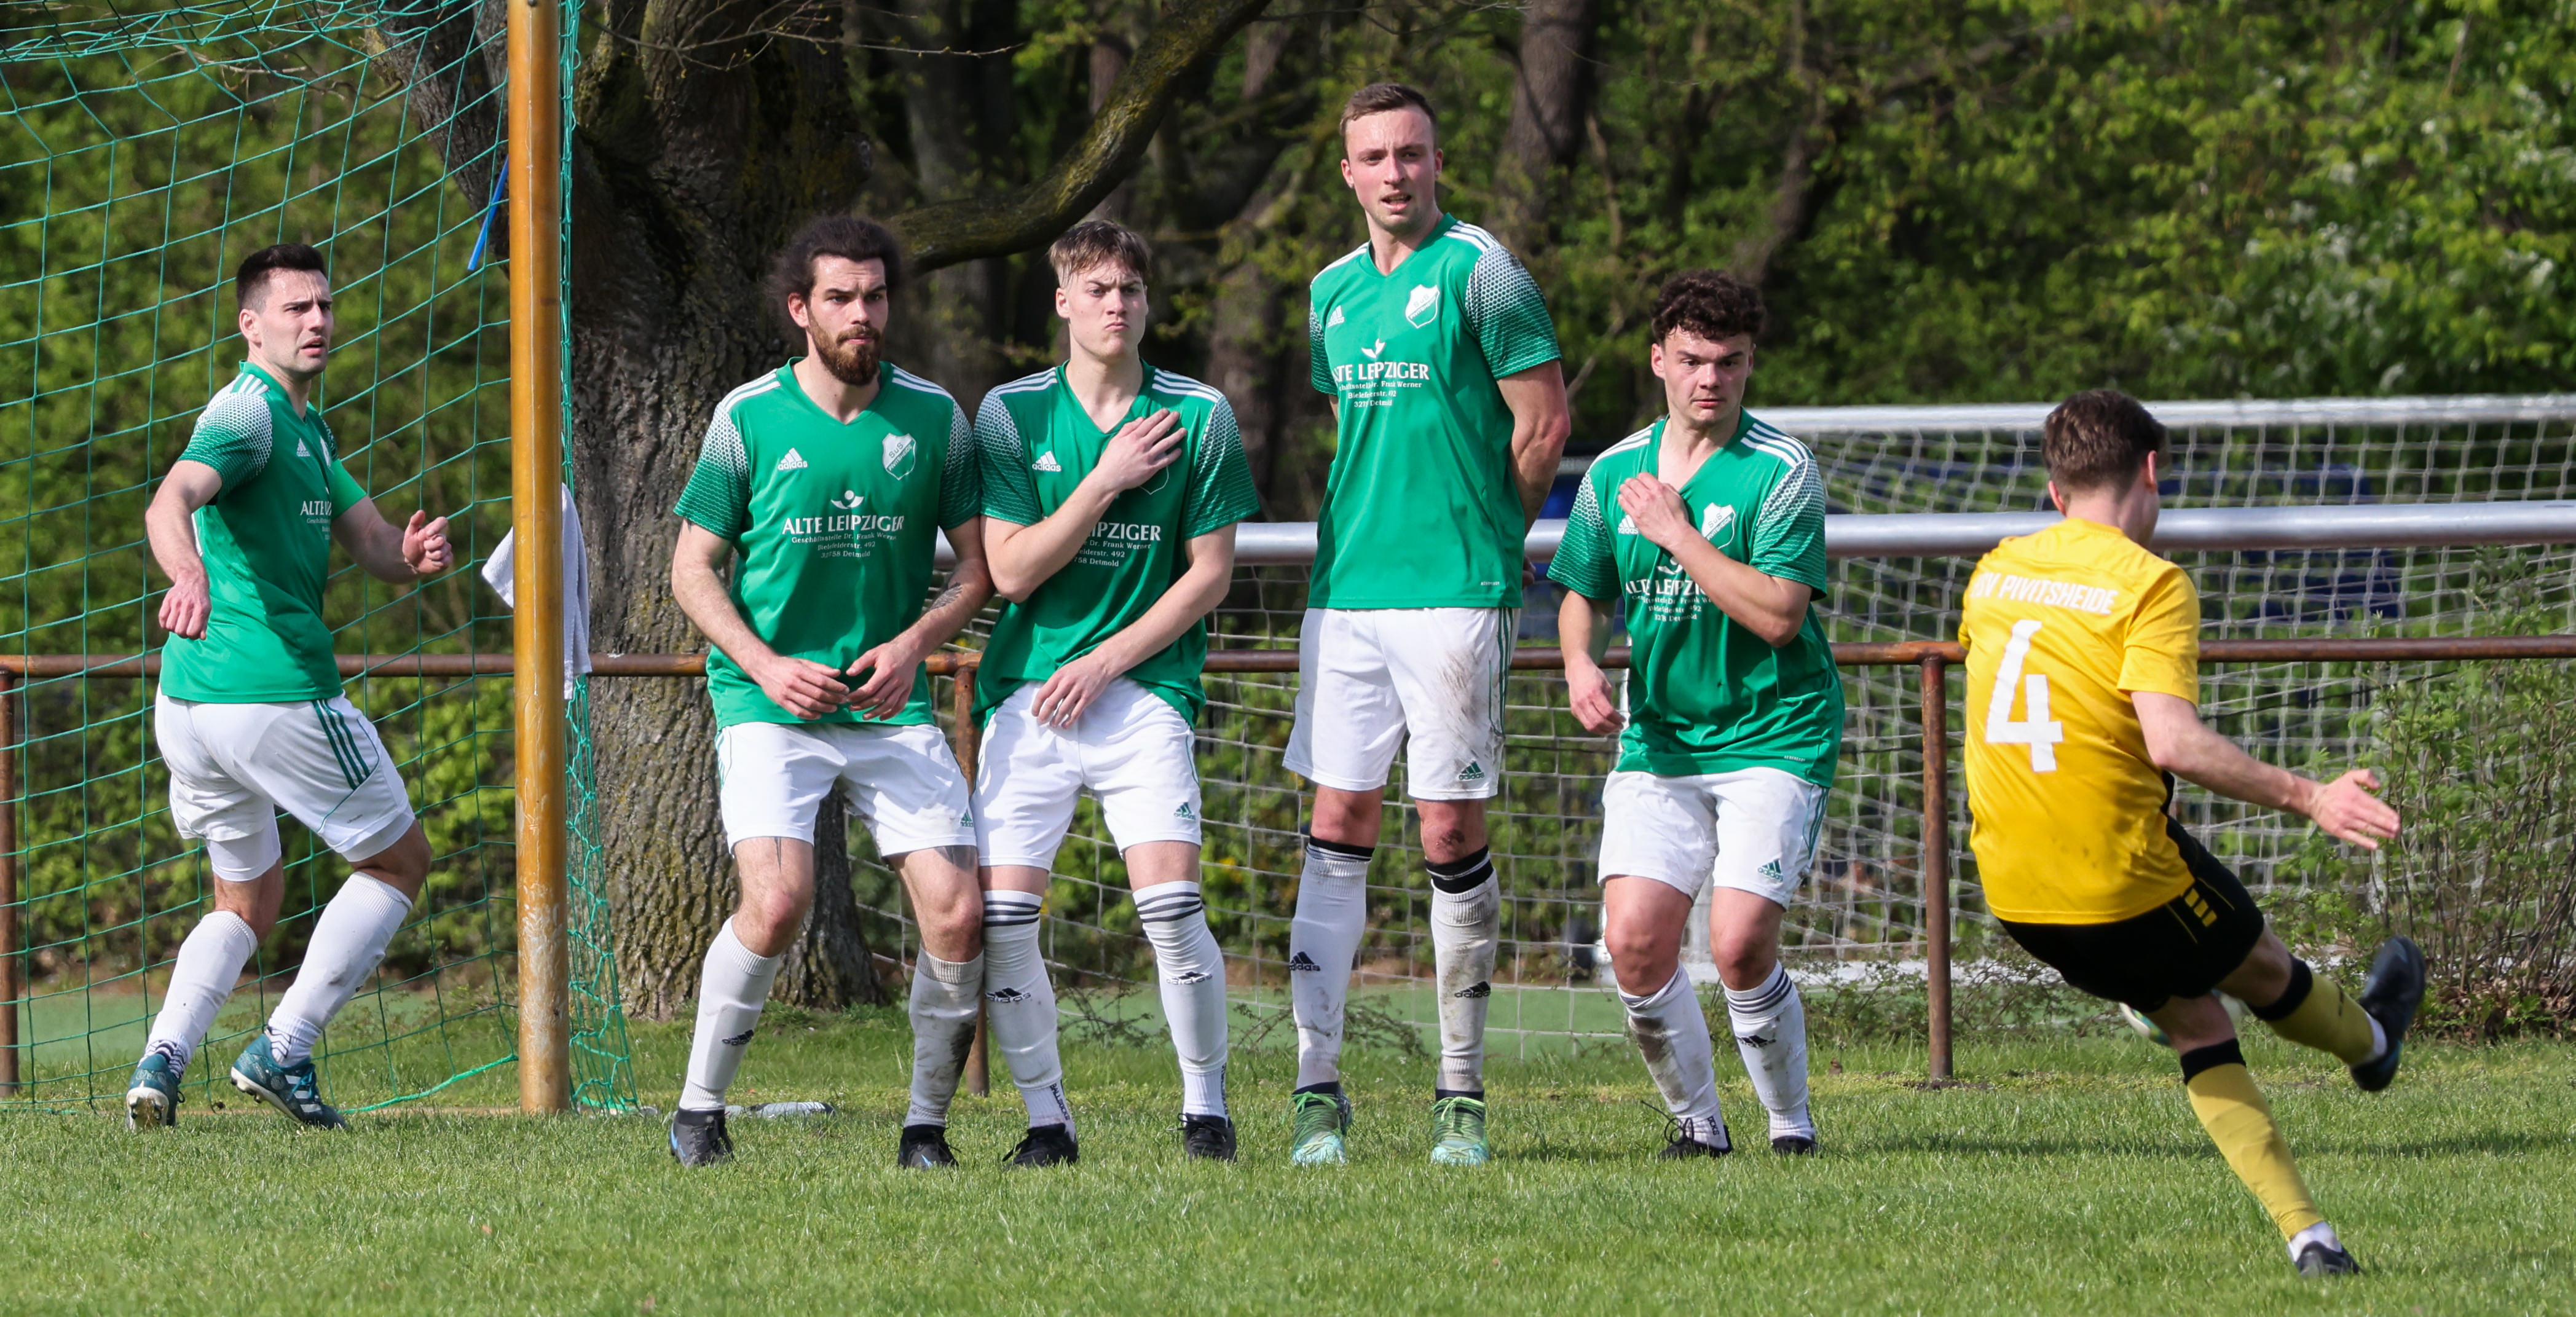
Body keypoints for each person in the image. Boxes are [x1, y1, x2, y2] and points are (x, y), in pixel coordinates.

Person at [1959, 388, 2422, 1276]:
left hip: (2012, 888)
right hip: (2121, 877)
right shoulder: (2150, 583)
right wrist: (2309, 796)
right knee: (2259, 974)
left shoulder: (1994, 573)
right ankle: (2372, 1048)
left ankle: (2317, 1234)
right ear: (2151, 470)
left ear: (2055, 491)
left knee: (2191, 1010)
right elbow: (2173, 742)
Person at [1284, 80, 1573, 1168]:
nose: (1395, 173)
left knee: (1447, 831)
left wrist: (1492, 538)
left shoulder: (1483, 271)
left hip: (1455, 589)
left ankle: (1460, 1094)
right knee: (1337, 820)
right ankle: (1317, 1092)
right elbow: (1354, 428)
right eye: (1375, 157)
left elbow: (1543, 423)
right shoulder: (1329, 291)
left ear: (1437, 161)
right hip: (1346, 590)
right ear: (1347, 172)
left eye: (1412, 153)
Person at [665, 216, 991, 1168]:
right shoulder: (748, 417)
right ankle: (698, 1114)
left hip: (889, 706)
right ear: (801, 310)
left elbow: (981, 570)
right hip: (770, 704)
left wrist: (915, 646)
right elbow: (690, 569)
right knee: (776, 904)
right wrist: (766, 664)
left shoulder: (936, 419)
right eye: (840, 297)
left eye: (875, 296)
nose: (862, 314)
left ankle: (925, 1131)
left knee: (959, 914)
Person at [125, 243, 457, 1131]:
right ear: (251, 325)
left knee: (248, 899)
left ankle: (161, 1063)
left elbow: (373, 543)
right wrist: (188, 574)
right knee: (399, 861)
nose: (316, 321)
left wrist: (410, 556)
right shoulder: (250, 414)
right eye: (295, 308)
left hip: (190, 708)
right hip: (272, 694)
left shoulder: (309, 430)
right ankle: (285, 1047)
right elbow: (169, 501)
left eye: (324, 305)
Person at [969, 221, 1261, 1166]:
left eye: (1131, 289)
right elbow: (1012, 571)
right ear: (1063, 301)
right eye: (1096, 289)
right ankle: (1047, 1124)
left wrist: (1107, 662)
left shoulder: (1200, 414)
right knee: (1003, 921)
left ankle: (1206, 1115)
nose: (1116, 304)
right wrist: (1103, 481)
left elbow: (1210, 575)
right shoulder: (1011, 414)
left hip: (1143, 691)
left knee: (1171, 908)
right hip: (1029, 693)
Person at [1550, 271, 1838, 1157]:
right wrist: (1580, 663)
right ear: (1658, 362)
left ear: (1750, 364)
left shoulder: (1781, 471)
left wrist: (1678, 535)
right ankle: (1700, 1128)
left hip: (1774, 733)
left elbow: (1779, 615)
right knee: (1634, 944)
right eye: (1692, 361)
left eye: (1730, 362)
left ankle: (1790, 1128)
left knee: (1740, 943)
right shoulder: (1614, 472)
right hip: (1661, 740)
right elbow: (1583, 590)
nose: (1710, 379)